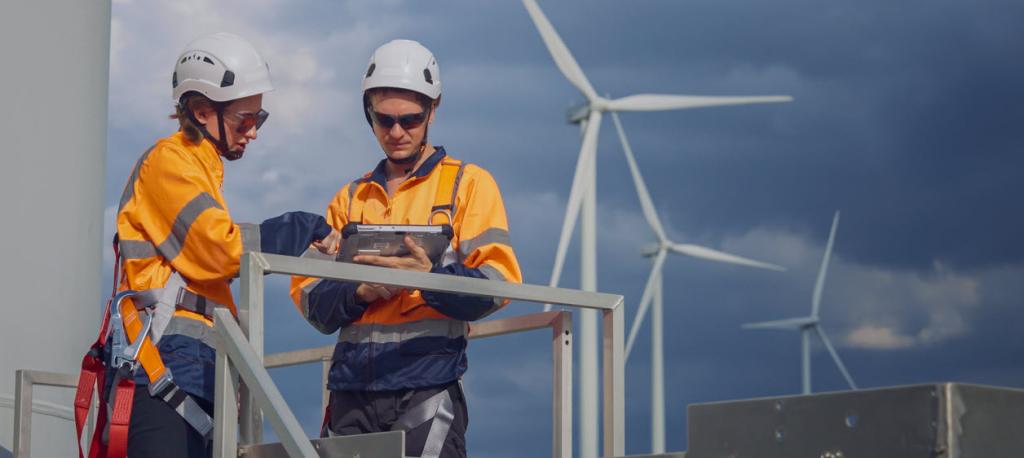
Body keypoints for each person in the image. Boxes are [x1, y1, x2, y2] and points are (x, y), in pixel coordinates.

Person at [100, 32, 339, 457]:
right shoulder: (169, 163)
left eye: (258, 120)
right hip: (162, 367)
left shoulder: (199, 170)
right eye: (245, 120)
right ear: (202, 111)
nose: (254, 132)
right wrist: (300, 227)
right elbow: (221, 251)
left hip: (191, 369)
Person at [289, 39, 522, 458]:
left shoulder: (468, 185)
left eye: (410, 119)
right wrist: (358, 290)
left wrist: (427, 279)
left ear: (433, 110)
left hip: (427, 384)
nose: (396, 132)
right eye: (384, 119)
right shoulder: (350, 198)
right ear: (369, 114)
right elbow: (308, 297)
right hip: (351, 391)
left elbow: (500, 284)